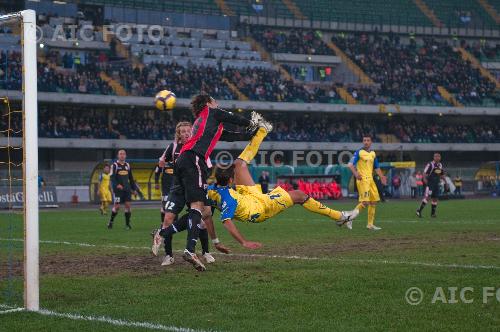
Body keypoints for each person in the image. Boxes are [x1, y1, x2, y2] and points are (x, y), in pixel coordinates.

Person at [157, 94, 270, 271]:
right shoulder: (211, 111)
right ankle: (189, 249)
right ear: (208, 102)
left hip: (186, 160)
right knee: (197, 206)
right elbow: (231, 118)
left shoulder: (208, 123)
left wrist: (253, 133)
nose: (217, 103)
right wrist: (251, 122)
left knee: (200, 209)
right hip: (194, 158)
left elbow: (230, 135)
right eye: (215, 101)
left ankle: (165, 234)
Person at [205, 128, 358, 248]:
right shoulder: (228, 199)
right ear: (231, 180)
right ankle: (341, 217)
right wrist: (244, 242)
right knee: (299, 195)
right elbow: (227, 222)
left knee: (238, 164)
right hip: (259, 208)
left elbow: (205, 203)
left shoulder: (210, 190)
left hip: (246, 198)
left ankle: (261, 131)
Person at [154, 122, 191, 224]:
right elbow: (160, 163)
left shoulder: (197, 146)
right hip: (174, 187)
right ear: (178, 134)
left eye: (189, 131)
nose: (187, 133)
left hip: (192, 186)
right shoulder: (173, 147)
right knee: (168, 211)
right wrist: (157, 181)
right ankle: (165, 230)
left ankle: (211, 239)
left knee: (201, 216)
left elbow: (207, 165)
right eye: (183, 131)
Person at [348, 135, 387, 231]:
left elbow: (376, 167)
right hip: (363, 180)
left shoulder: (373, 153)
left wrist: (382, 177)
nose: (366, 142)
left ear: (371, 142)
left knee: (373, 202)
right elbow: (350, 165)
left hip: (371, 180)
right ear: (362, 142)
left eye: (368, 140)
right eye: (364, 140)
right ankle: (349, 219)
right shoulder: (359, 152)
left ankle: (370, 225)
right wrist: (356, 174)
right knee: (365, 202)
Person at [108, 150, 137, 229]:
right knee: (117, 207)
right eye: (120, 154)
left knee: (128, 206)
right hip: (118, 190)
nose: (122, 155)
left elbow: (131, 178)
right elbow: (112, 177)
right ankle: (111, 221)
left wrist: (134, 189)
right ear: (118, 155)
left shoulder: (127, 165)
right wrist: (117, 185)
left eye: (123, 154)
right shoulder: (114, 165)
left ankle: (127, 224)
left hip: (127, 189)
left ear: (126, 156)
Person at [416, 153, 445, 218]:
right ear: (434, 157)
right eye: (436, 156)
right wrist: (425, 181)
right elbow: (424, 173)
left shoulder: (440, 165)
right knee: (427, 198)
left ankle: (432, 214)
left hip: (436, 184)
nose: (437, 157)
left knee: (435, 198)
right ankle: (418, 211)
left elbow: (441, 174)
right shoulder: (430, 164)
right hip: (430, 184)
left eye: (439, 156)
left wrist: (445, 182)